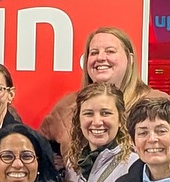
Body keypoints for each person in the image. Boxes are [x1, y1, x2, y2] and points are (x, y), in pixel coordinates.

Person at [41, 27, 160, 162]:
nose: (101, 57)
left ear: (130, 59)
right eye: (94, 52)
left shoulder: (157, 104)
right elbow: (41, 151)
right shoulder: (67, 107)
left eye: (110, 51)